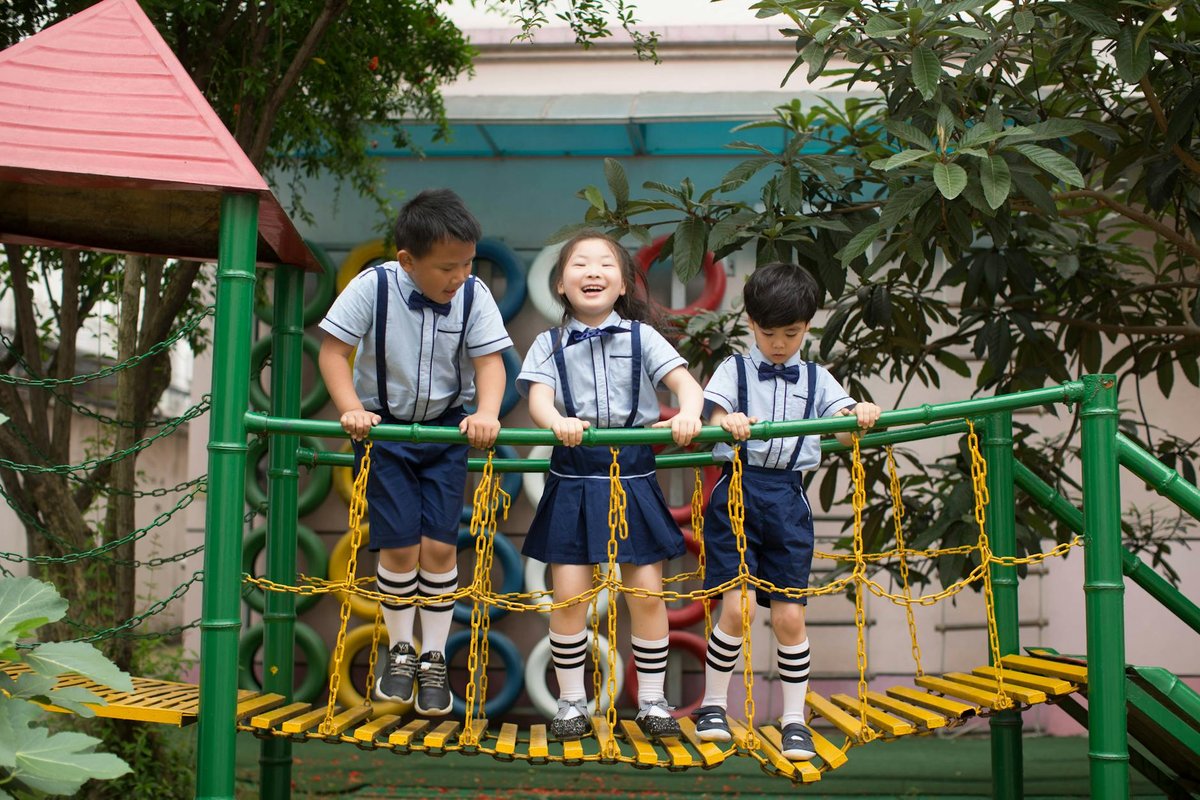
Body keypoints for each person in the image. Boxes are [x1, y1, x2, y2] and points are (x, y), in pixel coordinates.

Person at [317, 189, 512, 716]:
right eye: (448, 267)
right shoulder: (373, 287)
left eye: (468, 263)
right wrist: (352, 408)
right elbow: (334, 351)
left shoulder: (472, 295)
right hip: (385, 431)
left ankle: (432, 658)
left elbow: (490, 363)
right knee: (400, 548)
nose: (459, 276)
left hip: (447, 431)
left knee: (441, 549)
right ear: (407, 261)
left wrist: (487, 413)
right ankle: (400, 650)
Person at [517, 230, 705, 741]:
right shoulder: (548, 342)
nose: (592, 271)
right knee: (569, 596)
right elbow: (538, 399)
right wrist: (555, 421)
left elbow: (686, 385)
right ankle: (572, 703)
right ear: (561, 284)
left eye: (605, 264)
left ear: (623, 285)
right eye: (580, 264)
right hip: (574, 473)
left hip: (633, 475)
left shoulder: (643, 338)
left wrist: (687, 414)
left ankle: (651, 700)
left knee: (645, 594)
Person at [690, 262, 881, 760]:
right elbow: (712, 415)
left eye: (790, 333)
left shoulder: (818, 377)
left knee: (790, 617)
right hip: (737, 492)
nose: (778, 343)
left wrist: (857, 415)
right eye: (768, 332)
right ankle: (713, 705)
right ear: (751, 324)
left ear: (808, 326)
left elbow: (841, 427)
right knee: (737, 606)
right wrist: (726, 419)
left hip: (788, 499)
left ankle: (794, 718)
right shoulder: (734, 369)